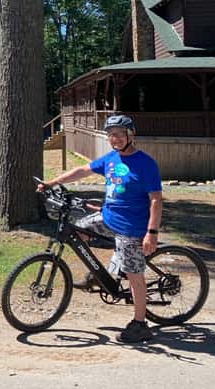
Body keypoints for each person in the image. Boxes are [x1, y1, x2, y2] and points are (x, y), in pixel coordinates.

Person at [40, 114, 162, 344]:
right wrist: (53, 182)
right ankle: (99, 276)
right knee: (77, 232)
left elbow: (156, 199)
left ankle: (140, 324)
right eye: (111, 135)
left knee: (135, 274)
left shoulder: (146, 163)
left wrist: (151, 233)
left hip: (132, 226)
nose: (114, 139)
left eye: (119, 134)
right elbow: (83, 170)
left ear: (130, 135)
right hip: (107, 217)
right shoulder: (111, 159)